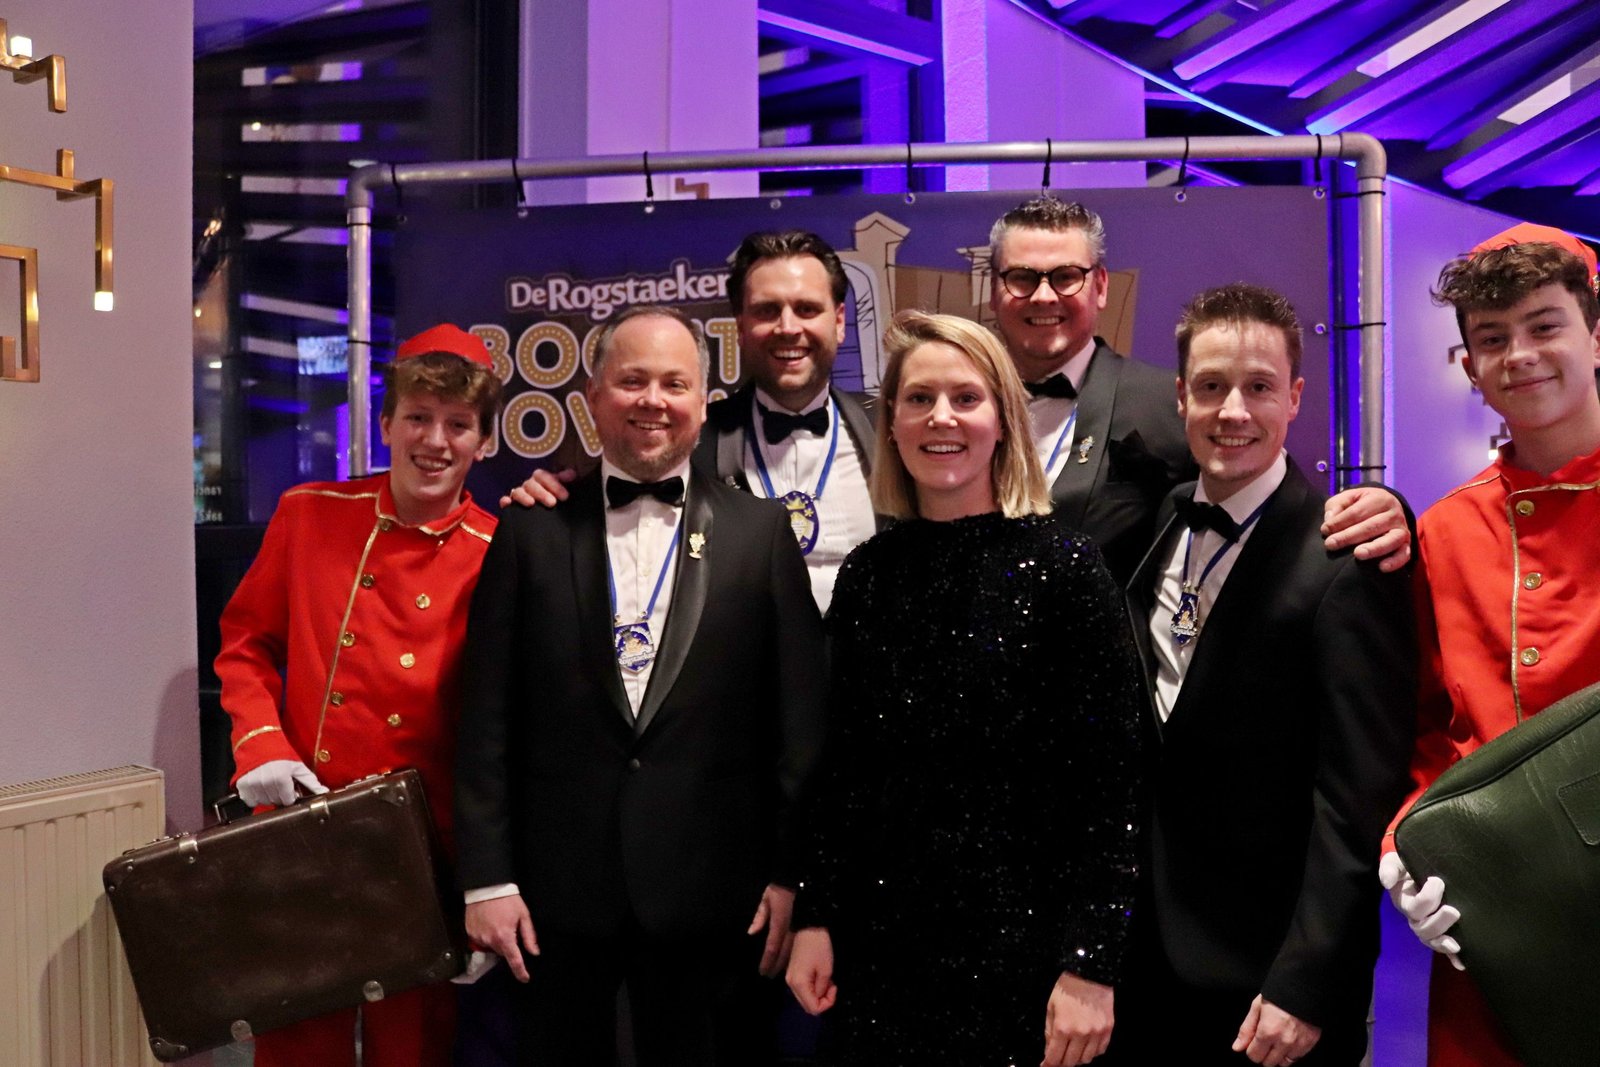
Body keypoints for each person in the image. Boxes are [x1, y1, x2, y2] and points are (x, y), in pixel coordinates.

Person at [454, 305, 827, 1066]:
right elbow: (485, 718)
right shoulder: (527, 530)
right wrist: (486, 879)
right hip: (554, 898)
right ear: (593, 398)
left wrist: (793, 875)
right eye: (631, 381)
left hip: (719, 897)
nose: (653, 399)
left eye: (673, 383)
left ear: (703, 402)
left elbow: (797, 728)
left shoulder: (761, 535)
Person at [785, 310, 1144, 1067]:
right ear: (891, 425)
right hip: (883, 954)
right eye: (918, 399)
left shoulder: (1069, 570)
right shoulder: (869, 575)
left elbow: (1112, 783)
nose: (940, 417)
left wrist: (1091, 959)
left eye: (965, 397)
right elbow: (844, 770)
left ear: (1004, 420)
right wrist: (816, 914)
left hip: (1033, 961)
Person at [1112, 284, 1415, 1066]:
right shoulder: (1163, 518)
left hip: (1271, 984)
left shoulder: (1346, 561)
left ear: (1296, 397)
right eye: (1211, 385)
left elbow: (1356, 800)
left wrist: (1308, 982)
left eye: (1258, 386)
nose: (1233, 411)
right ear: (1181, 396)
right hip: (1148, 965)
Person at [215, 323, 503, 1067]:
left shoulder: (498, 553)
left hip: (420, 855)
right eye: (418, 417)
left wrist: (482, 884)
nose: (434, 440)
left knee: (411, 1049)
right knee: (295, 1041)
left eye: (458, 424)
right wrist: (261, 745)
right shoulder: (309, 511)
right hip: (301, 831)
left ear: (484, 442)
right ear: (385, 423)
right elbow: (246, 642)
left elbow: (506, 733)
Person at [1378, 223, 1600, 1067]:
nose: (1520, 356)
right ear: (1469, 366)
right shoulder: (1443, 529)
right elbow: (1429, 728)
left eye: (1545, 326)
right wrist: (1412, 842)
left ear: (1595, 334)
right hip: (1497, 912)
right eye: (1493, 338)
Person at [987, 196, 1412, 584]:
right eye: (1022, 278)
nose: (1044, 297)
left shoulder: (1175, 404)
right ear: (994, 289)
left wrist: (1385, 506)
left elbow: (1273, 495)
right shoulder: (961, 408)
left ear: (1100, 286)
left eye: (1066, 277)